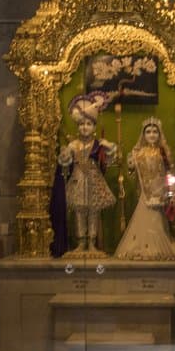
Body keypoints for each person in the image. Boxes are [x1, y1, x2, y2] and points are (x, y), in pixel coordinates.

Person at [58, 91, 118, 254]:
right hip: (78, 180)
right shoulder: (73, 145)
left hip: (94, 181)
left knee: (93, 212)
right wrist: (65, 156)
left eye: (88, 124)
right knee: (79, 212)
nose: (84, 127)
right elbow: (65, 165)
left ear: (94, 127)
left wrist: (110, 147)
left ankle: (92, 243)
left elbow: (110, 162)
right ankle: (81, 243)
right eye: (81, 124)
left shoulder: (99, 144)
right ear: (78, 126)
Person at [114, 117, 175, 261]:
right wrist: (131, 165)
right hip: (145, 194)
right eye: (148, 132)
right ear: (144, 135)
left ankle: (158, 249)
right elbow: (133, 175)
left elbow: (170, 173)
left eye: (155, 132)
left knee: (157, 222)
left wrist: (169, 191)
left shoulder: (163, 152)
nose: (152, 135)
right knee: (144, 221)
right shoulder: (138, 153)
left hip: (159, 193)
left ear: (159, 134)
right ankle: (144, 249)